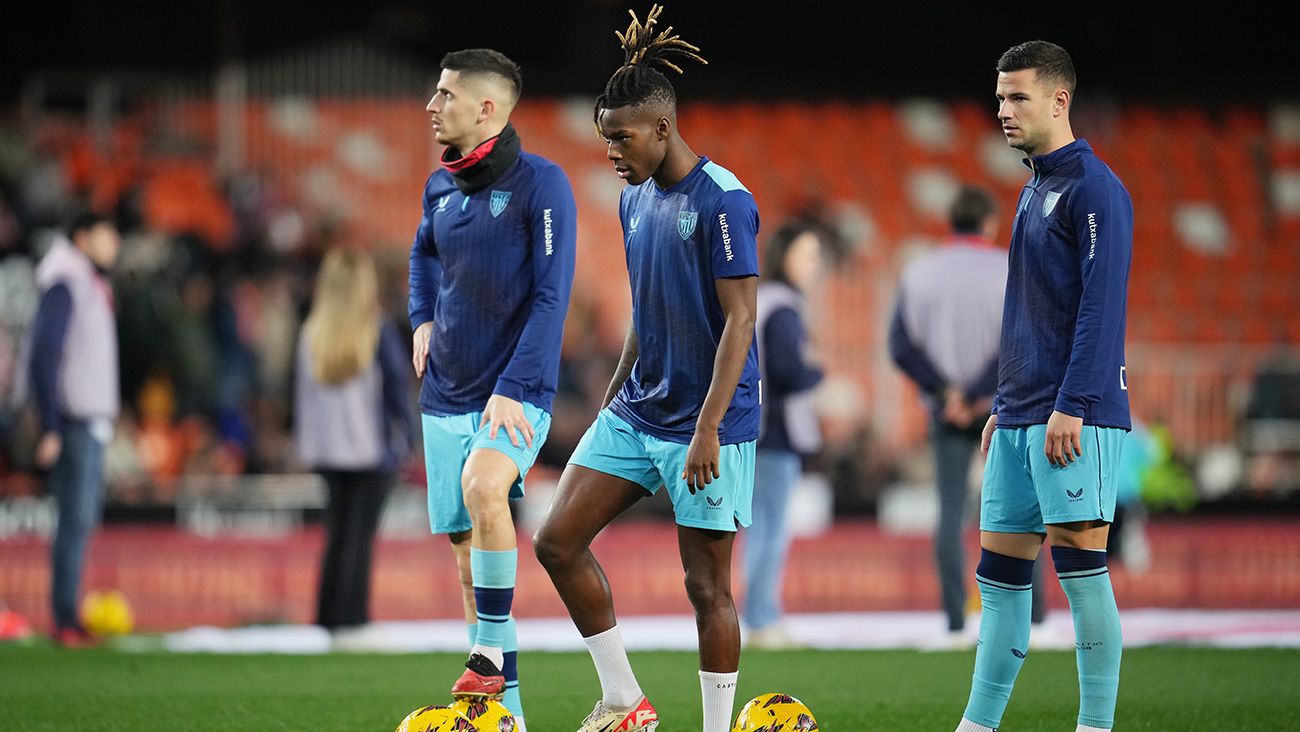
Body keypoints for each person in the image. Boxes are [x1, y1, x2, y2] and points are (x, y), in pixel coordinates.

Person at [532, 7, 760, 731]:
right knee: (556, 541)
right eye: (605, 138)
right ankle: (625, 701)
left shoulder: (724, 201)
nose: (611, 152)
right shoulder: (633, 199)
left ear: (663, 128)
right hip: (637, 412)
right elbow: (646, 306)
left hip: (708, 426)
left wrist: (708, 428)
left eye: (621, 137)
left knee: (705, 587)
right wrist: (611, 396)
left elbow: (741, 322)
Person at [953, 41, 1132, 732]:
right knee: (999, 581)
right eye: (999, 97)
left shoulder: (1094, 188)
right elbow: (1026, 311)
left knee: (1082, 575)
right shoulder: (1033, 186)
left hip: (1074, 418)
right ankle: (977, 726)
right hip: (1022, 415)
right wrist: (1006, 403)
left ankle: (1094, 727)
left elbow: (1101, 306)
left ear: (1060, 100)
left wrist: (1071, 404)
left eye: (1017, 96)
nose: (1003, 110)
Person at [408, 47, 576, 731]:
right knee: (464, 547)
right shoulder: (439, 188)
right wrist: (421, 318)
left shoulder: (544, 185)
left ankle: (486, 656)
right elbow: (421, 253)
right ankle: (506, 712)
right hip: (445, 392)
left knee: (486, 489)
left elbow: (552, 296)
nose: (431, 105)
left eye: (445, 95)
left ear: (486, 109)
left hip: (517, 391)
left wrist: (514, 385)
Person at [890, 186, 1050, 645]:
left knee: (949, 514)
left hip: (945, 413)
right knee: (1025, 510)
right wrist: (979, 391)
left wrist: (947, 394)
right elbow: (1021, 339)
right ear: (988, 224)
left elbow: (900, 346)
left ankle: (955, 621)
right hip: (1007, 406)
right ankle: (1034, 618)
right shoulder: (1010, 268)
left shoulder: (918, 272)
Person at [294, 247, 412, 639]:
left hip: (327, 453)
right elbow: (396, 392)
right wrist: (406, 441)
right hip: (370, 452)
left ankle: (327, 616)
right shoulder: (374, 330)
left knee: (337, 534)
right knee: (360, 538)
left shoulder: (312, 333)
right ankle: (355, 617)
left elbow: (299, 398)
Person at [28, 212, 122, 647]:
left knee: (80, 519)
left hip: (88, 421)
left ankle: (69, 614)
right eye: (108, 234)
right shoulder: (67, 282)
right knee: (73, 519)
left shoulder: (86, 282)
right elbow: (45, 354)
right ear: (83, 237)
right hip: (72, 422)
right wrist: (50, 423)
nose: (115, 244)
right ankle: (65, 618)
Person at [743, 222, 826, 649]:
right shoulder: (783, 307)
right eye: (807, 255)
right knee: (770, 529)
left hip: (754, 430)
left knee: (761, 526)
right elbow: (789, 371)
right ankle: (761, 616)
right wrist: (817, 369)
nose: (815, 266)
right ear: (785, 257)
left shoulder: (764, 300)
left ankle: (759, 613)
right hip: (773, 432)